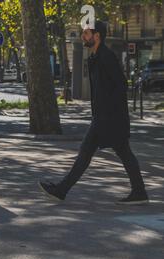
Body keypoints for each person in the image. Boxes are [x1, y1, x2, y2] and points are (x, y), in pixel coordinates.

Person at [39, 21, 148, 205]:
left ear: (97, 36)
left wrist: (107, 111)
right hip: (103, 117)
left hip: (109, 118)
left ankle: (61, 190)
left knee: (90, 152)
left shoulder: (106, 57)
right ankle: (139, 191)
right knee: (113, 152)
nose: (83, 36)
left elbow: (121, 85)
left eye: (87, 33)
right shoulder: (95, 57)